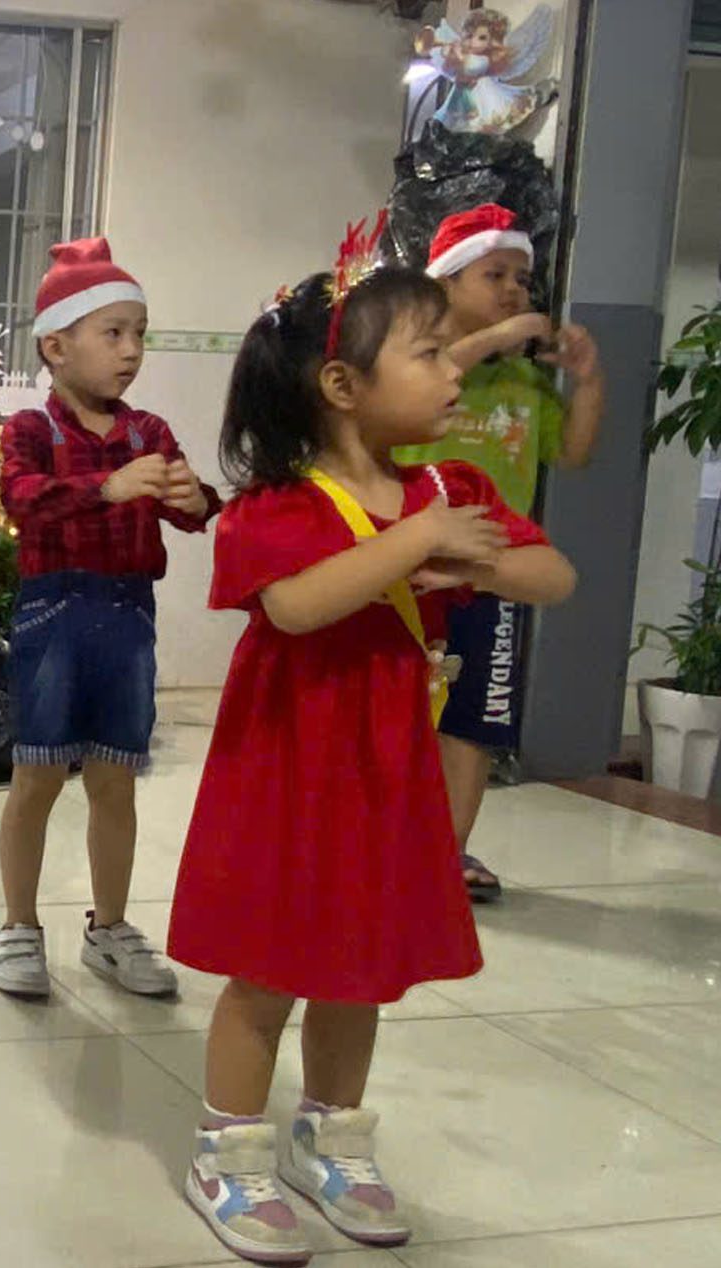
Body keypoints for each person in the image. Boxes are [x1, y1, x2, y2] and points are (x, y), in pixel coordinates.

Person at [170, 254, 575, 1264]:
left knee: (357, 963)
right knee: (267, 969)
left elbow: (553, 575)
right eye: (428, 353)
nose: (452, 371)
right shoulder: (276, 504)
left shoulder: (449, 487)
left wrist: (472, 553)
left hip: (386, 770)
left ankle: (330, 1136)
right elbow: (296, 605)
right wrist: (416, 543)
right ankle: (228, 1150)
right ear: (342, 385)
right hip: (287, 771)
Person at [0, 238, 218, 1003]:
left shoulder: (149, 432)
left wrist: (196, 500)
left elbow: (191, 508)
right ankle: (19, 925)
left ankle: (109, 928)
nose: (131, 351)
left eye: (139, 333)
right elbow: (20, 498)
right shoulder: (30, 430)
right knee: (37, 776)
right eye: (113, 332)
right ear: (56, 346)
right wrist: (106, 488)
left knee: (115, 781)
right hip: (51, 616)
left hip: (127, 619)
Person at [395, 203, 604, 902]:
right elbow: (418, 380)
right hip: (412, 572)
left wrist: (588, 380)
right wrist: (498, 337)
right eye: (495, 274)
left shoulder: (523, 383)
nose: (515, 290)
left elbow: (573, 451)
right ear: (446, 282)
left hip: (493, 575)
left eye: (522, 277)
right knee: (399, 715)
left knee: (473, 722)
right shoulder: (421, 363)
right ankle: (381, 843)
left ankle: (445, 856)